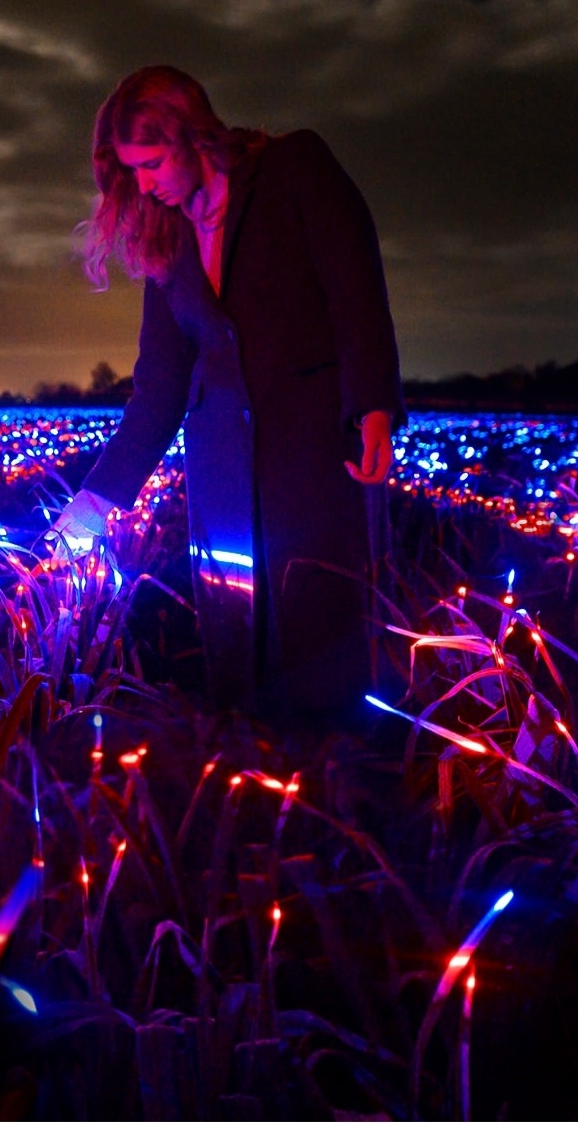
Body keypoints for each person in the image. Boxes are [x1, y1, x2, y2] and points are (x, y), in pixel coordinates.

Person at [49, 66, 403, 725]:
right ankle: (249, 769)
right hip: (220, 479)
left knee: (326, 639)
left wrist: (373, 406)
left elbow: (355, 290)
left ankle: (342, 770)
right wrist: (94, 504)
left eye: (152, 162)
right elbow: (158, 389)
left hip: (315, 457)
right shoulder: (166, 241)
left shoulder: (294, 168)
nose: (143, 184)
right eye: (131, 170)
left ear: (192, 133)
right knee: (240, 655)